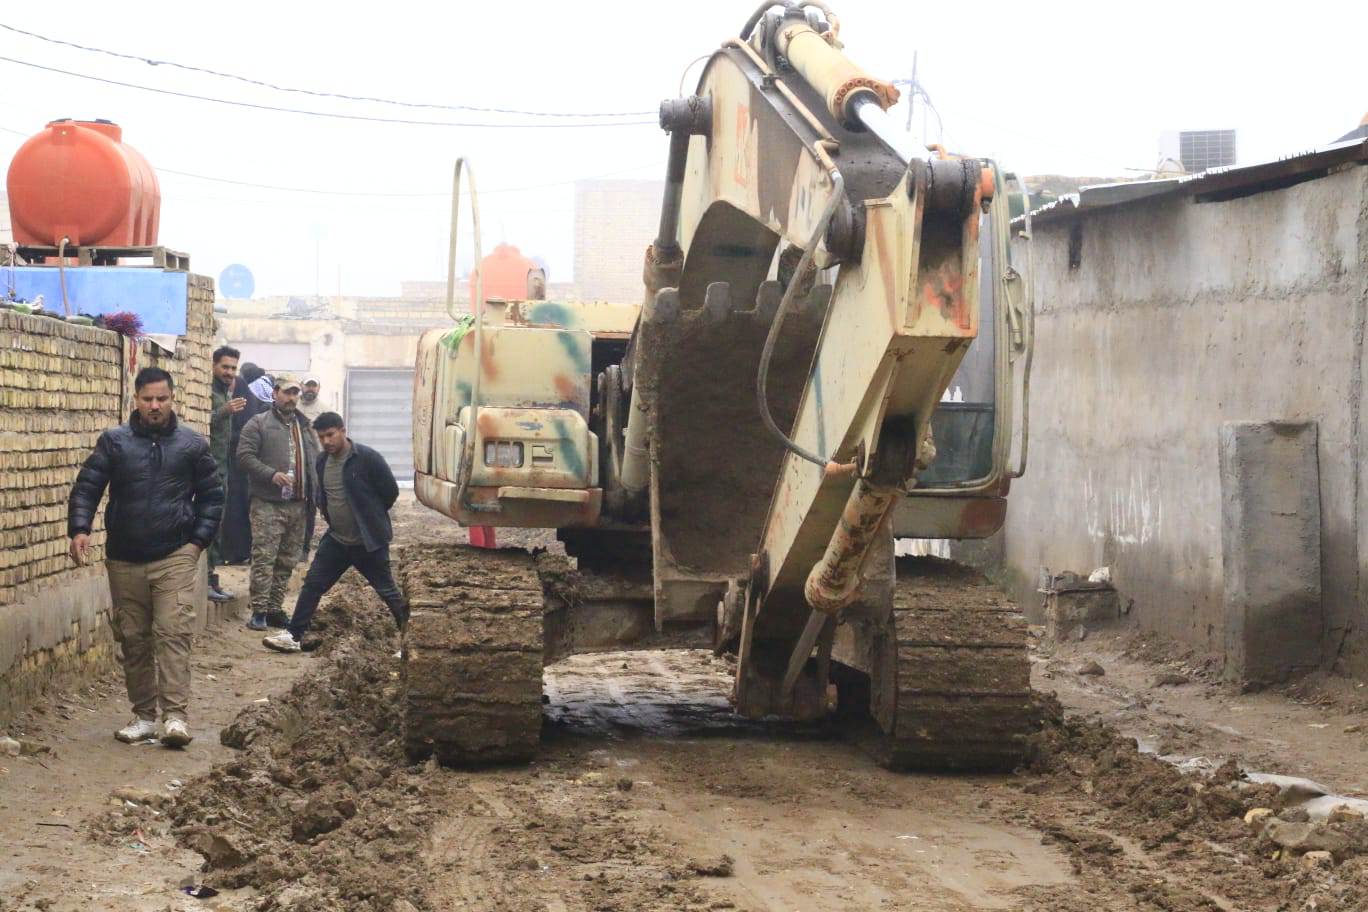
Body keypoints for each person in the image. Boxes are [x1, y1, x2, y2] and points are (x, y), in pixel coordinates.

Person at [67, 367, 224, 747]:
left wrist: (197, 543)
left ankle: (175, 717)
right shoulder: (115, 443)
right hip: (124, 558)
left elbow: (213, 496)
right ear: (135, 399)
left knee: (173, 633)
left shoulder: (191, 445)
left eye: (162, 399)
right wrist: (80, 529)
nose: (155, 406)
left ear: (172, 399)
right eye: (148, 399)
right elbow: (87, 487)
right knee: (134, 638)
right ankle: (143, 717)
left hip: (175, 554)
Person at [264, 412, 408, 653]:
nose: (327, 441)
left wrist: (369, 516)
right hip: (338, 540)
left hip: (368, 542)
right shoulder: (322, 461)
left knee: (388, 591)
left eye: (330, 435)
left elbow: (390, 492)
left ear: (343, 431)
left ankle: (409, 642)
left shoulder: (367, 458)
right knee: (312, 585)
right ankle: (294, 636)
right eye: (321, 437)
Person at [236, 374, 319, 631]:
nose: (291, 398)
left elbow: (315, 461)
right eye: (286, 392)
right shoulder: (258, 423)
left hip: (298, 504)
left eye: (295, 393)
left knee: (287, 560)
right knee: (264, 558)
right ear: (275, 393)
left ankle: (274, 609)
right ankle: (259, 611)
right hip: (268, 503)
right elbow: (244, 457)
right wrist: (271, 474)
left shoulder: (305, 426)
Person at [220, 363, 270, 565]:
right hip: (233, 467)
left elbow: (244, 436)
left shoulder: (248, 408)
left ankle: (238, 552)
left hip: (242, 468)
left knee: (238, 509)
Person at [208, 346, 246, 601]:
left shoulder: (225, 393)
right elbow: (201, 420)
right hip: (209, 471)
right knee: (210, 526)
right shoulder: (209, 392)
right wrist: (224, 411)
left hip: (222, 470)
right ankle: (206, 581)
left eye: (233, 368)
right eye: (225, 367)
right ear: (214, 366)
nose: (230, 372)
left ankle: (212, 578)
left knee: (218, 525)